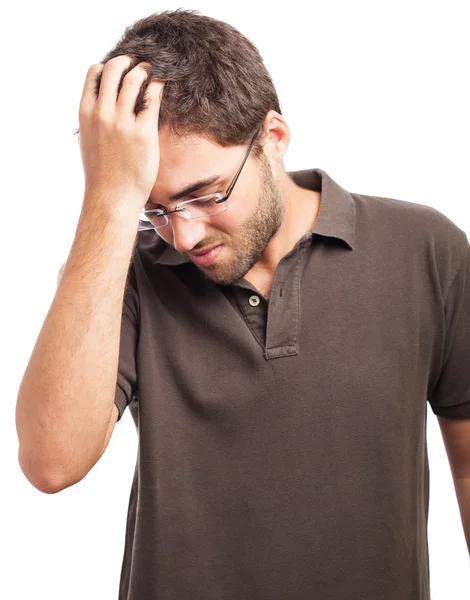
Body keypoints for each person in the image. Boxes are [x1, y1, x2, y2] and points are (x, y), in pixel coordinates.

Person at [16, 8, 470, 600]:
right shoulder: (125, 273)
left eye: (203, 196)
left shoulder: (425, 248)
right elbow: (51, 462)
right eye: (154, 207)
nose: (182, 235)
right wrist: (110, 200)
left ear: (273, 139)